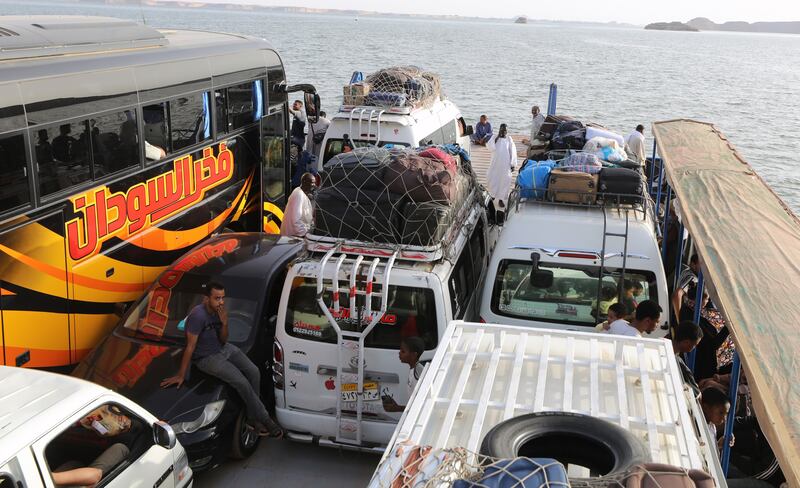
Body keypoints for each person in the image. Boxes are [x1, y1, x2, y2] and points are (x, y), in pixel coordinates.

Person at [161, 281, 283, 437]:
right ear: (206, 299)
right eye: (217, 298)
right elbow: (190, 346)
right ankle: (266, 420)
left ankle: (253, 417)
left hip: (223, 348)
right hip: (207, 358)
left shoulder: (219, 312)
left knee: (254, 372)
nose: (221, 302)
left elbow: (224, 340)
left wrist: (225, 323)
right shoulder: (197, 316)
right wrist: (180, 374)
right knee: (241, 382)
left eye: (223, 298)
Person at [382, 337, 426, 413]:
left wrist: (397, 408)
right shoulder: (414, 369)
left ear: (414, 355)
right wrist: (397, 407)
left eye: (403, 351)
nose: (399, 353)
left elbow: (419, 406)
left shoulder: (418, 372)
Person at [486, 123, 518, 209]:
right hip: (495, 163)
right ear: (499, 129)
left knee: (504, 180)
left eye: (505, 130)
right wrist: (496, 138)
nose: (503, 132)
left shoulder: (509, 139)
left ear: (507, 131)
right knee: (493, 178)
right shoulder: (494, 137)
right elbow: (490, 147)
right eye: (502, 130)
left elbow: (513, 152)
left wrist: (512, 164)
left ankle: (501, 199)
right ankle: (492, 195)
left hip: (505, 164)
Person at [280, 172, 315, 237]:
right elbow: (295, 220)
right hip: (292, 238)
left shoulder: (302, 193)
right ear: (304, 182)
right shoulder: (298, 195)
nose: (314, 185)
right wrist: (305, 233)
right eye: (312, 182)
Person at [701, 386, 732, 450]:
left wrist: (719, 445)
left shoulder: (712, 427)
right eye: (721, 413)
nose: (724, 418)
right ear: (706, 408)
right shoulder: (698, 425)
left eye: (726, 414)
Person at [672, 254, 700, 322]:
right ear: (693, 265)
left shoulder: (686, 271)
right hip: (687, 317)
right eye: (701, 265)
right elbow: (677, 294)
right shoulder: (692, 278)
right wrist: (680, 320)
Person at [288, 99, 306, 168]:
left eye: (295, 104)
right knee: (299, 157)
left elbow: (292, 111)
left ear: (301, 106)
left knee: (292, 159)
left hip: (297, 141)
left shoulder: (300, 112)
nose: (294, 105)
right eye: (293, 104)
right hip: (298, 140)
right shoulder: (298, 114)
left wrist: (285, 105)